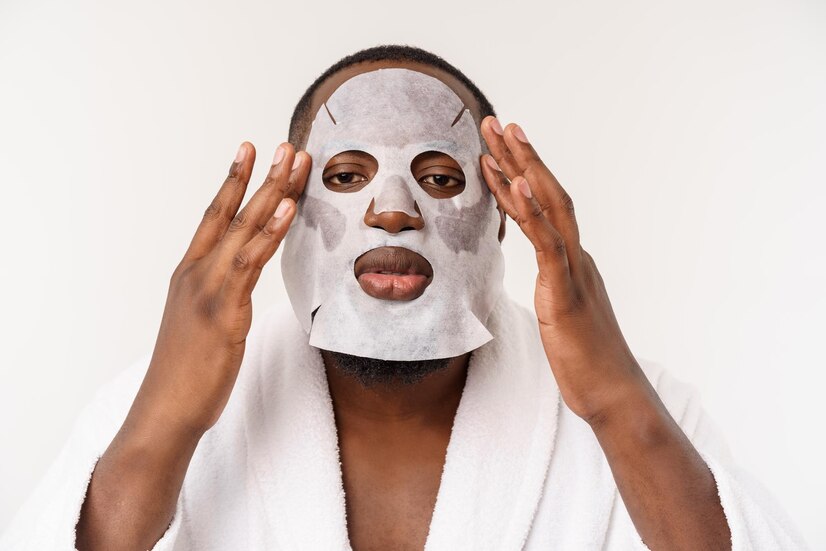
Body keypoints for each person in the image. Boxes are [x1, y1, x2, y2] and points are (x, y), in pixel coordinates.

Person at [0, 45, 807, 551]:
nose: (392, 208)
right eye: (346, 176)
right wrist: (164, 421)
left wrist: (616, 399)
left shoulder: (641, 415)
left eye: (440, 177)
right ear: (287, 217)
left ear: (500, 222)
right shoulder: (153, 409)